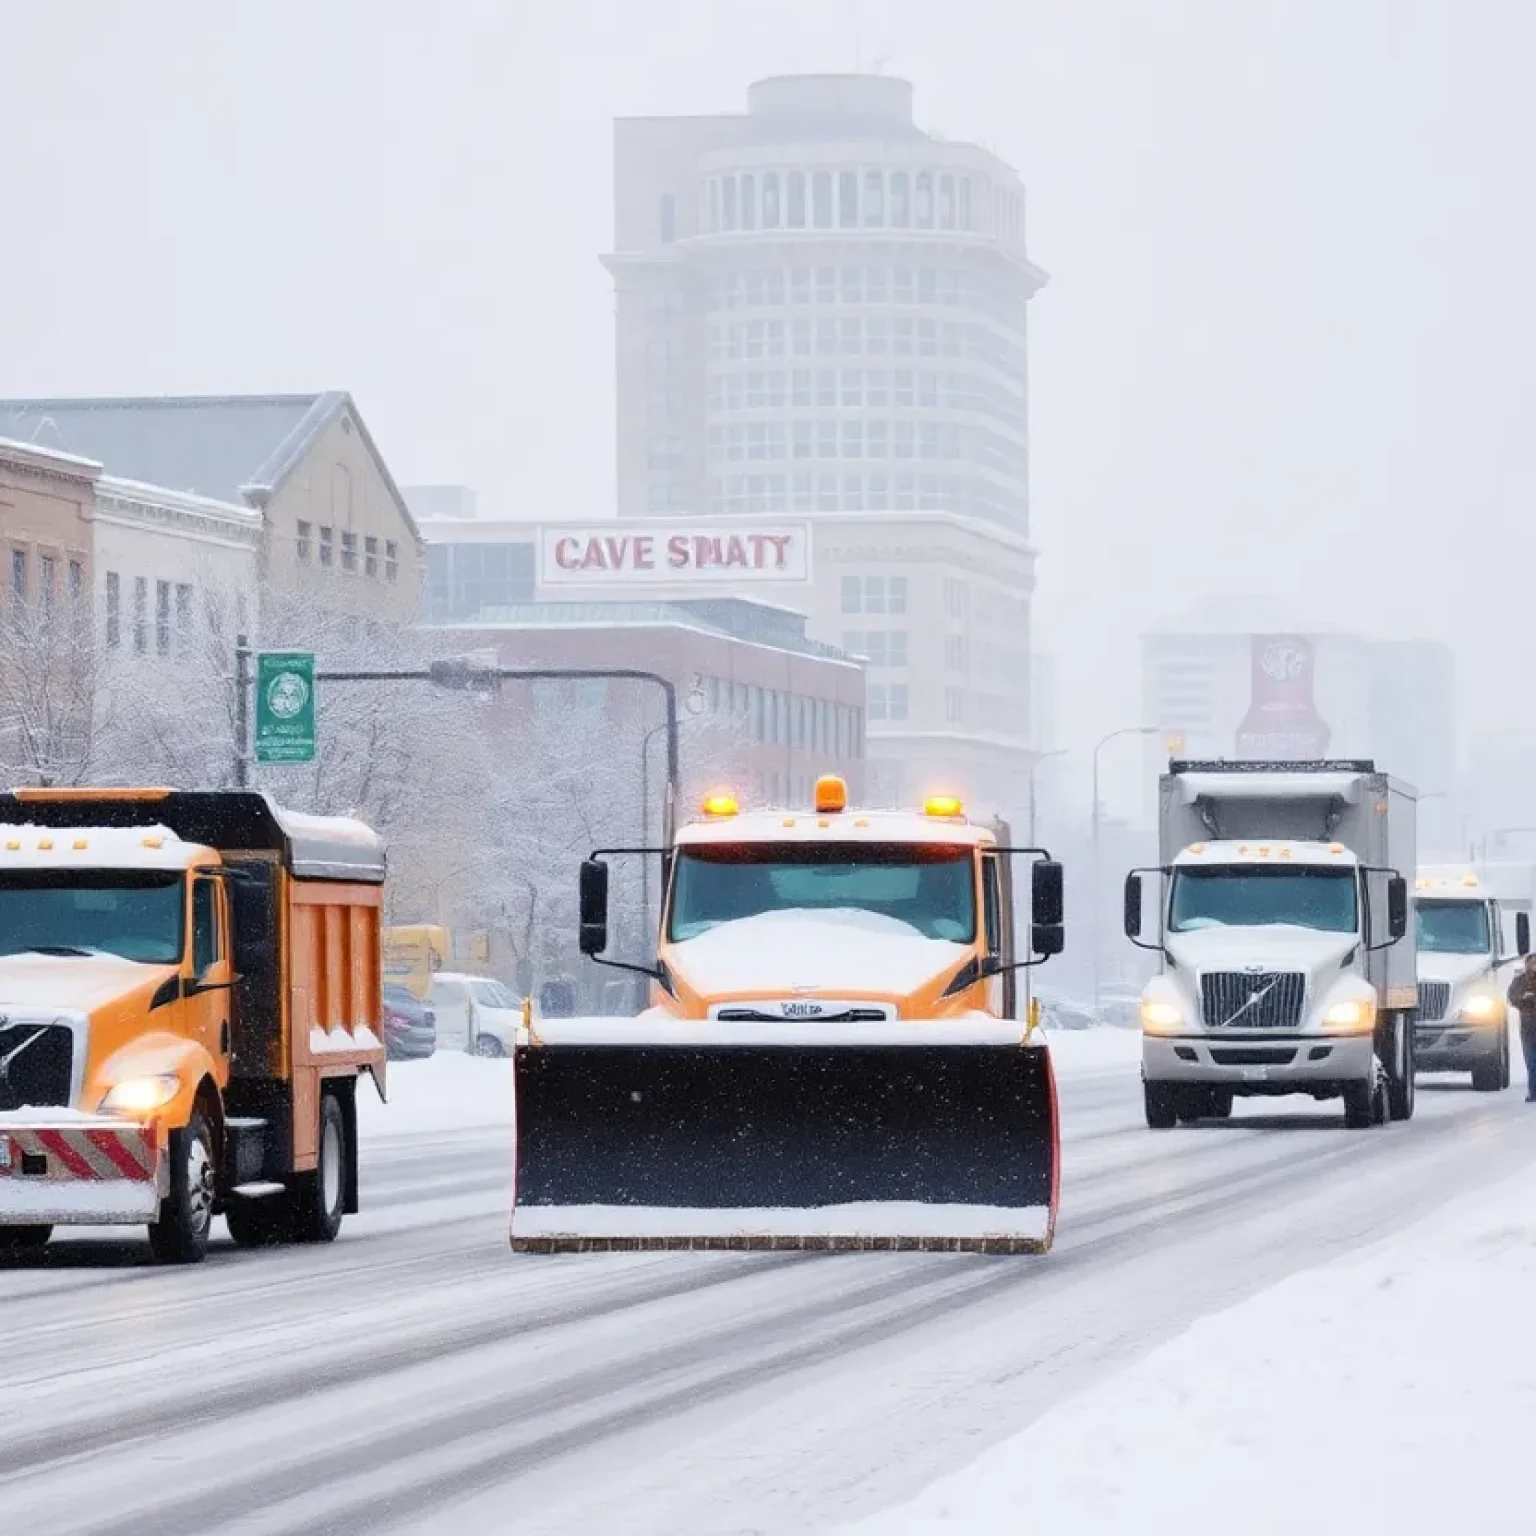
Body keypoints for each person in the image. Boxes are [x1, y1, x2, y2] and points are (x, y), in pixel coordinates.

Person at [1507, 954, 1536, 1101]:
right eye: (1532, 963)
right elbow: (1512, 997)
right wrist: (1523, 998)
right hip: (1528, 1025)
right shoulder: (1520, 981)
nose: (1534, 966)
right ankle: (1533, 1092)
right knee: (1531, 1061)